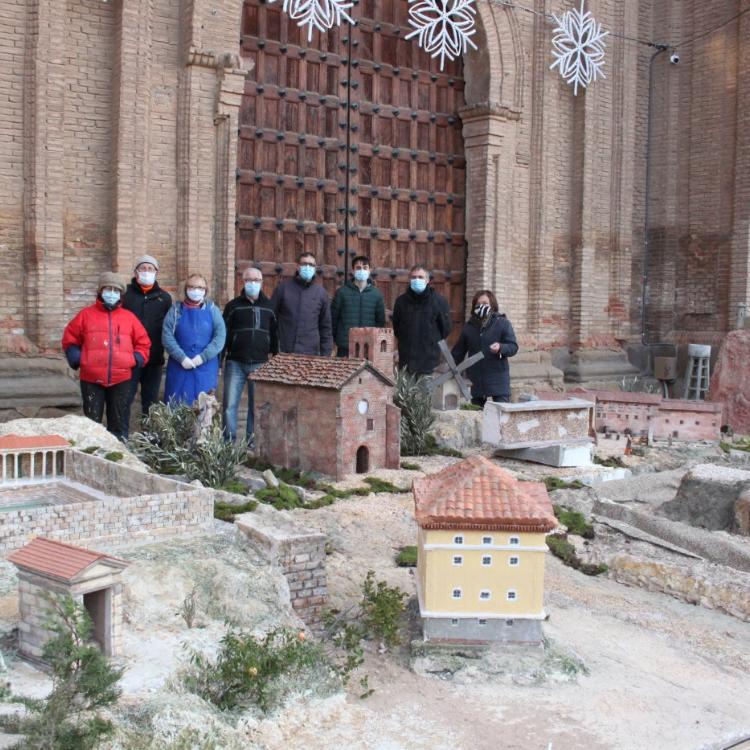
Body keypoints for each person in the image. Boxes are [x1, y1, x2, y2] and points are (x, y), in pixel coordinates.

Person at [62, 272, 151, 440]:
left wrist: (135, 359)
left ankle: (119, 456)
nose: (112, 293)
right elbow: (70, 339)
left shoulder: (129, 318)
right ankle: (92, 454)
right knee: (92, 423)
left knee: (118, 424)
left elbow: (144, 343)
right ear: (101, 291)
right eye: (108, 289)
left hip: (121, 379)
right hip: (91, 379)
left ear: (120, 294)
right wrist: (77, 358)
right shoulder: (86, 315)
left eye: (116, 290)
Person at [222, 266, 278, 446]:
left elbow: (275, 334)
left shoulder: (270, 307)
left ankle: (252, 441)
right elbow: (224, 334)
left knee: (256, 406)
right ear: (242, 282)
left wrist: (276, 359)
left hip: (260, 364)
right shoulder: (233, 306)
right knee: (230, 405)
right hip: (235, 363)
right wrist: (219, 361)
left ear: (262, 283)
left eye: (256, 280)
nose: (252, 283)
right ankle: (228, 442)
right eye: (249, 280)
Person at [122, 255, 172, 433]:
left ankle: (148, 438)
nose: (146, 272)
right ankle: (122, 436)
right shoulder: (125, 296)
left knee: (150, 403)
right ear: (136, 272)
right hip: (129, 359)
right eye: (143, 268)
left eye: (150, 269)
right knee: (124, 399)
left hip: (154, 359)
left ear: (156, 273)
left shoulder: (164, 298)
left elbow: (169, 327)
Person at [162, 273, 226, 405]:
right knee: (177, 407)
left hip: (205, 367)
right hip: (179, 366)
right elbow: (167, 336)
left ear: (205, 291)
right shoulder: (175, 310)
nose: (196, 290)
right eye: (191, 287)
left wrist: (202, 357)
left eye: (200, 288)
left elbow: (220, 337)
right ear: (186, 289)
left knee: (204, 409)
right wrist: (182, 358)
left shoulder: (213, 310)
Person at [451, 289, 518, 407]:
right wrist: (449, 368)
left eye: (485, 303)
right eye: (478, 304)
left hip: (498, 379)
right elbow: (458, 352)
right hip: (476, 380)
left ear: (492, 305)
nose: (481, 306)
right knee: (478, 417)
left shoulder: (502, 323)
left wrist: (501, 347)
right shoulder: (469, 327)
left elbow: (513, 347)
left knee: (501, 417)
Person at [391, 264, 452, 375]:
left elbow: (445, 329)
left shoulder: (439, 301)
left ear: (427, 280)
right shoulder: (401, 302)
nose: (416, 280)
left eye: (420, 277)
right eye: (413, 277)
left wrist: (431, 342)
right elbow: (397, 328)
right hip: (407, 360)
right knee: (405, 392)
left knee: (426, 392)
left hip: (429, 361)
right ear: (409, 280)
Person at [271, 252, 333, 356]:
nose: (307, 267)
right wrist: (273, 348)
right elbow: (271, 319)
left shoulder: (321, 293)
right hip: (284, 351)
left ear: (315, 268)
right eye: (304, 264)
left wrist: (326, 354)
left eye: (311, 265)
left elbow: (325, 326)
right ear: (298, 266)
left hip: (310, 353)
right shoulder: (283, 288)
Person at [331, 255, 386, 357]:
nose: (362, 270)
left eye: (365, 268)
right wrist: (334, 341)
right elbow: (333, 318)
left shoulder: (376, 294)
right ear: (353, 270)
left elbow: (380, 322)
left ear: (369, 270)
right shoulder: (342, 292)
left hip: (368, 346)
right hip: (345, 346)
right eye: (358, 268)